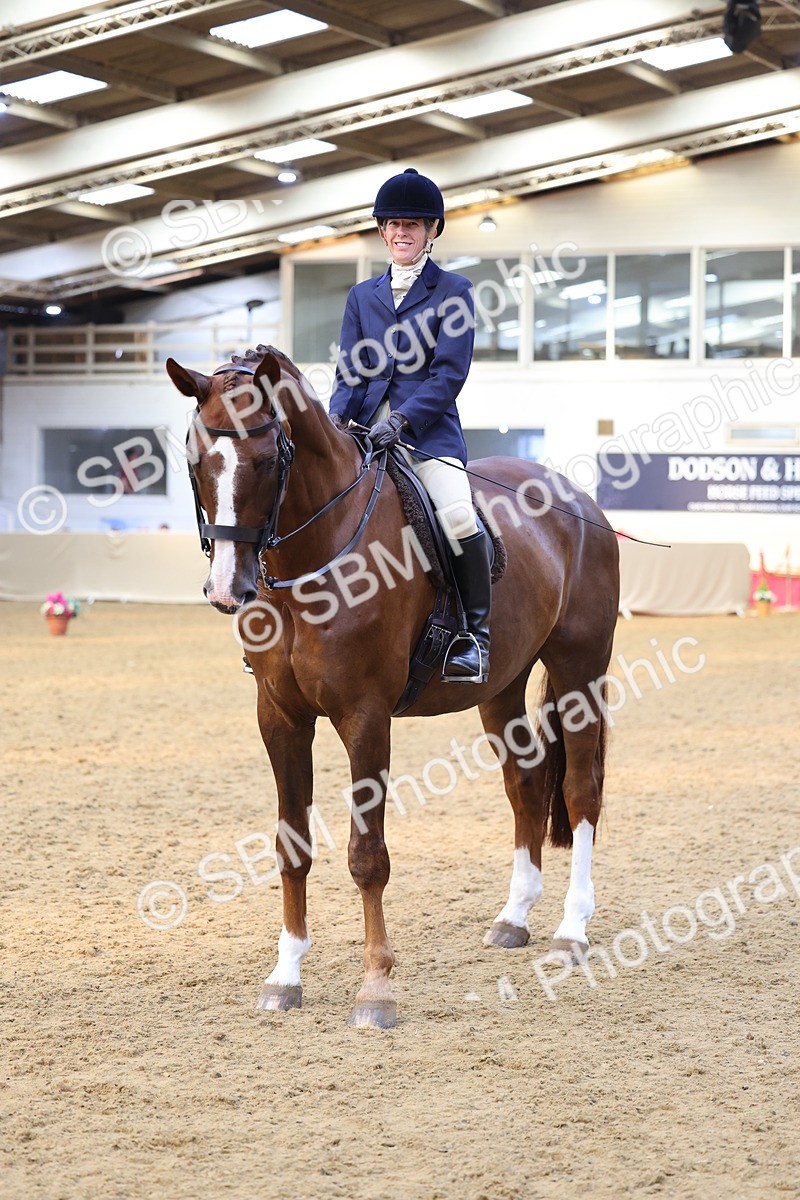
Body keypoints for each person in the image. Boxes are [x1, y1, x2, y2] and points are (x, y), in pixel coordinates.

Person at [329, 167, 490, 683]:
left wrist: (401, 419)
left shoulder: (454, 291)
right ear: (383, 230)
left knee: (459, 516)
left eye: (413, 225)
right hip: (363, 435)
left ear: (432, 230)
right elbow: (350, 371)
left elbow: (449, 375)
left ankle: (475, 637)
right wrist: (335, 422)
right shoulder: (362, 296)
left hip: (426, 437)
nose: (403, 232)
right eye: (395, 224)